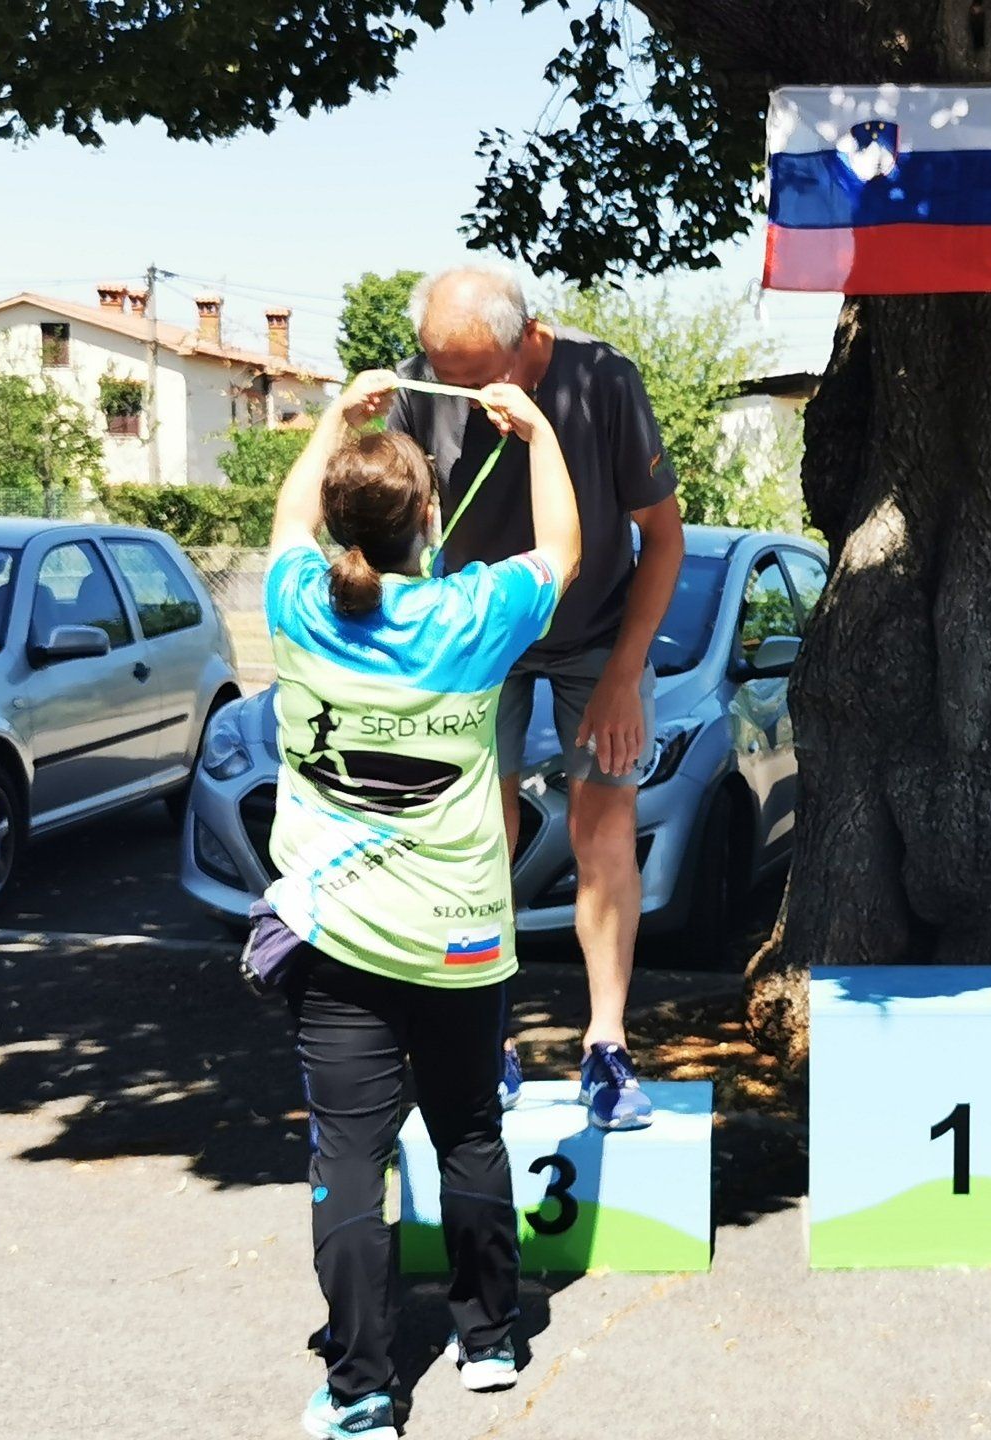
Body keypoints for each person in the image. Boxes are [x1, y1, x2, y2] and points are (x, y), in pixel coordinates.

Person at [262, 369, 581, 1439]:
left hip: (334, 936)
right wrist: (537, 434)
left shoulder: (295, 603)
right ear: (430, 520)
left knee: (349, 1159)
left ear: (340, 522)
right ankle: (488, 1341)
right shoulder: (471, 615)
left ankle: (360, 1389)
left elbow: (288, 519)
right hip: (459, 939)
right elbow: (564, 549)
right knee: (469, 1133)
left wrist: (332, 419)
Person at [388, 263, 684, 1131]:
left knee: (603, 827)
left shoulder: (603, 380)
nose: (457, 390)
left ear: (525, 342)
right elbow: (388, 525)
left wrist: (625, 675)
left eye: (476, 375)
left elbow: (663, 539)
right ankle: (489, 1039)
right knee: (479, 833)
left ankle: (607, 1045)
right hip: (484, 634)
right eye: (441, 370)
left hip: (597, 636)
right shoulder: (418, 384)